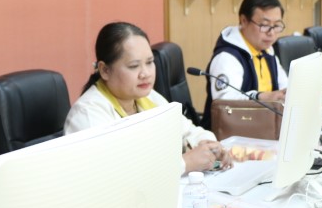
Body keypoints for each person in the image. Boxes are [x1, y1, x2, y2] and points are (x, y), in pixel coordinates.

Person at [64, 22, 231, 174]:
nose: (146, 73)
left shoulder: (148, 96)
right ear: (105, 70)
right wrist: (185, 163)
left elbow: (187, 130)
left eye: (150, 62)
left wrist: (209, 146)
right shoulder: (88, 114)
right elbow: (116, 174)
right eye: (134, 66)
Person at [200, 0, 289, 128]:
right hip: (229, 133)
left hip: (263, 127)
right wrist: (260, 97)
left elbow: (285, 88)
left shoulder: (267, 51)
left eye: (276, 26)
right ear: (244, 21)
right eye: (264, 25)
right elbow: (225, 104)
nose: (271, 33)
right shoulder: (227, 57)